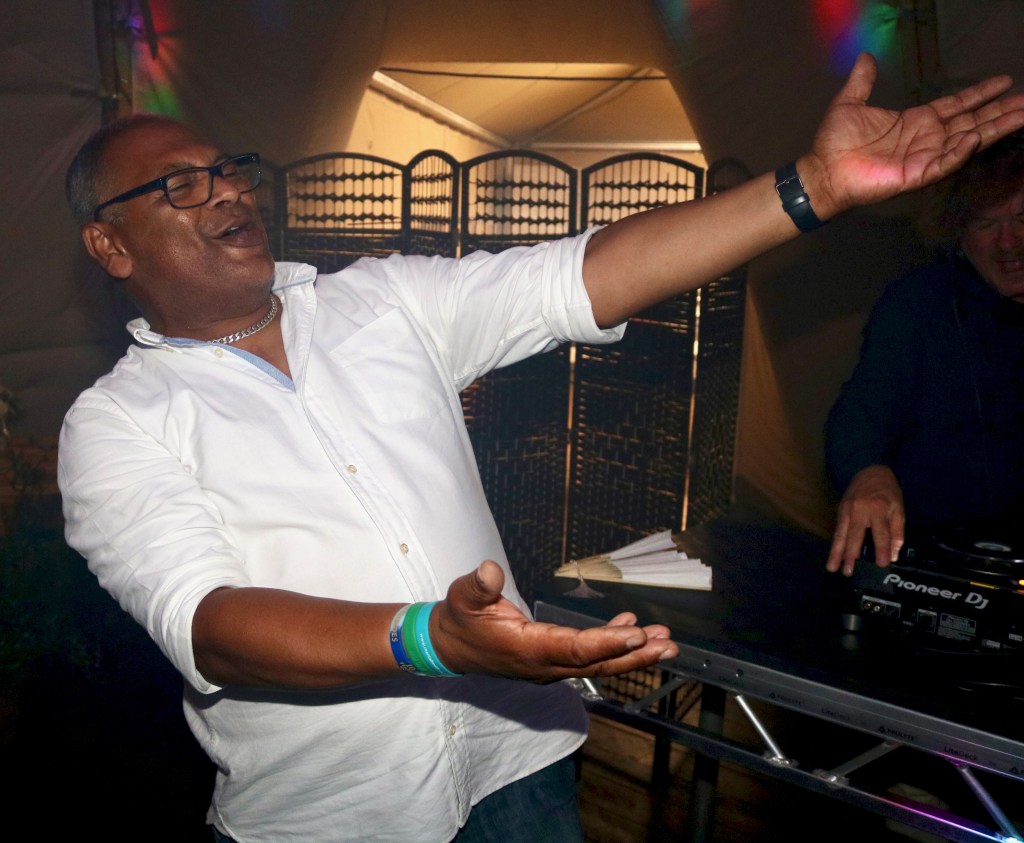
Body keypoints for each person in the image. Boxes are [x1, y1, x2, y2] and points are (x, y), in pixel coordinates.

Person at [58, 53, 1024, 843]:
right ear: (110, 246)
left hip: (519, 762)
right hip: (334, 815)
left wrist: (810, 187)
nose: (226, 189)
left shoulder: (383, 301)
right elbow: (211, 624)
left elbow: (586, 272)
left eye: (229, 168)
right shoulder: (116, 422)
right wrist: (428, 638)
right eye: (180, 184)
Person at [825, 129, 1024, 576]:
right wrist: (867, 472)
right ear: (959, 235)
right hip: (933, 562)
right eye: (985, 224)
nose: (1008, 242)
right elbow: (861, 415)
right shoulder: (918, 304)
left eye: (1023, 218)